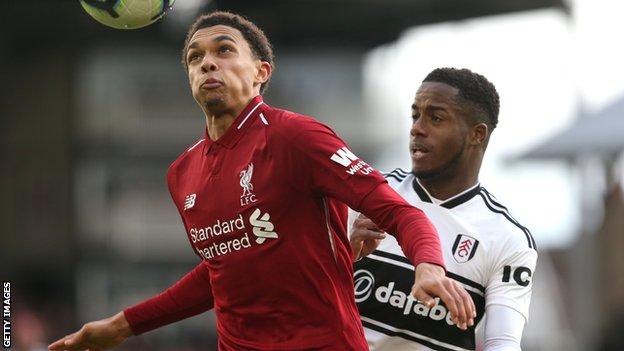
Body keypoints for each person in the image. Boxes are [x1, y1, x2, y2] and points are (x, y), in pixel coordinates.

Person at [48, 12, 476, 351]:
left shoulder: (296, 137)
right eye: (195, 58)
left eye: (223, 50)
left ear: (260, 72)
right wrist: (123, 326)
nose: (207, 62)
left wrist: (428, 265)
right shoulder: (181, 174)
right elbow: (223, 271)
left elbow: (397, 211)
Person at [349, 68, 538, 350]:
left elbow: (503, 343)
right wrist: (344, 254)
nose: (416, 128)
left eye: (435, 118)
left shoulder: (507, 238)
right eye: (415, 115)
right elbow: (298, 292)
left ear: (477, 134)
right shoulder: (365, 194)